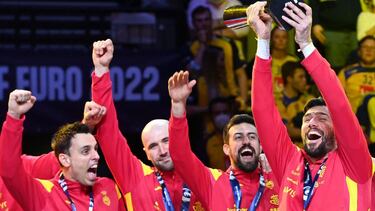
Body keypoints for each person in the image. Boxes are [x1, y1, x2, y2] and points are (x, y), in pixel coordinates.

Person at [248, 1, 373, 210]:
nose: (312, 122)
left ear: (338, 131)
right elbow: (262, 111)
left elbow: (339, 105)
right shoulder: (289, 160)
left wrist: (305, 44)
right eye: (307, 119)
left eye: (322, 118)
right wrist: (263, 40)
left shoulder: (355, 163)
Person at [88, 39, 205, 210]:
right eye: (154, 146)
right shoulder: (135, 178)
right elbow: (108, 133)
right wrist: (100, 71)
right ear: (147, 154)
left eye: (166, 140)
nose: (163, 151)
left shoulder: (204, 179)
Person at [167, 70, 279, 210]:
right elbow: (180, 155)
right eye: (238, 137)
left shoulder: (279, 180)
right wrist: (178, 105)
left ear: (261, 147)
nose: (246, 141)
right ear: (226, 149)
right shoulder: (213, 182)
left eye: (252, 136)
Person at [0, 89, 125, 210]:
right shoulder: (43, 194)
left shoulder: (109, 189)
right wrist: (13, 116)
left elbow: (62, 156)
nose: (97, 156)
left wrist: (84, 129)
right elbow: (9, 170)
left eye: (95, 149)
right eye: (87, 151)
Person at [339, 36, 375, 143]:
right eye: (365, 47)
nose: (369, 50)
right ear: (359, 51)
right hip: (353, 126)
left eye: (373, 48)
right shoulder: (346, 73)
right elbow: (335, 100)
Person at [310, 0, 360, 70]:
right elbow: (313, 2)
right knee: (336, 68)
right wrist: (315, 23)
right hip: (332, 30)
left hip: (358, 30)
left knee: (357, 68)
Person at [276, 61, 314, 144]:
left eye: (305, 77)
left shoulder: (310, 100)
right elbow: (286, 131)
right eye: (300, 77)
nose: (304, 80)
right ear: (289, 79)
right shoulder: (277, 101)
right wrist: (313, 133)